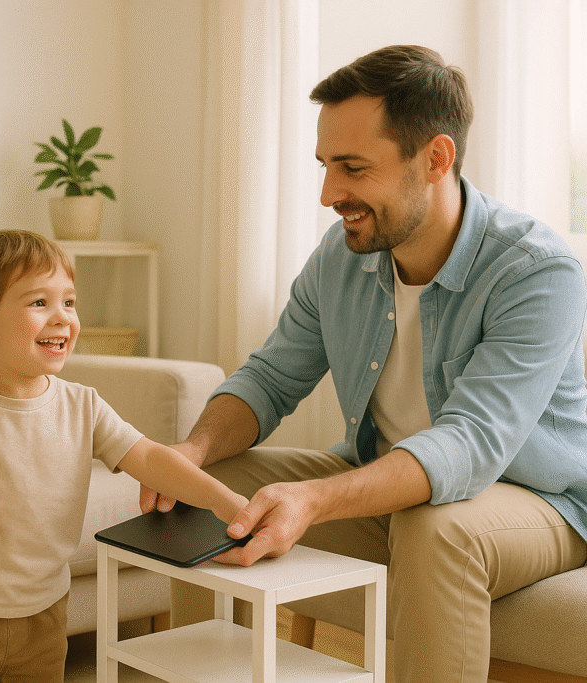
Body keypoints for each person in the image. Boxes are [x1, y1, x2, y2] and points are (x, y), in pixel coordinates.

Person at [142, 45, 587, 682]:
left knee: (440, 531)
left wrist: (315, 500)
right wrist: (195, 450)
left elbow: (471, 444)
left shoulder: (536, 271)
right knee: (210, 486)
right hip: (387, 481)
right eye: (325, 166)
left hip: (537, 501)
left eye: (352, 168)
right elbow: (270, 378)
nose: (329, 193)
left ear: (436, 158)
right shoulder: (343, 253)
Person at [0, 229, 249, 683]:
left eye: (69, 302)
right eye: (39, 303)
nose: (61, 318)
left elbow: (153, 460)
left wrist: (223, 500)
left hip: (44, 613)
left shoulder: (84, 405)